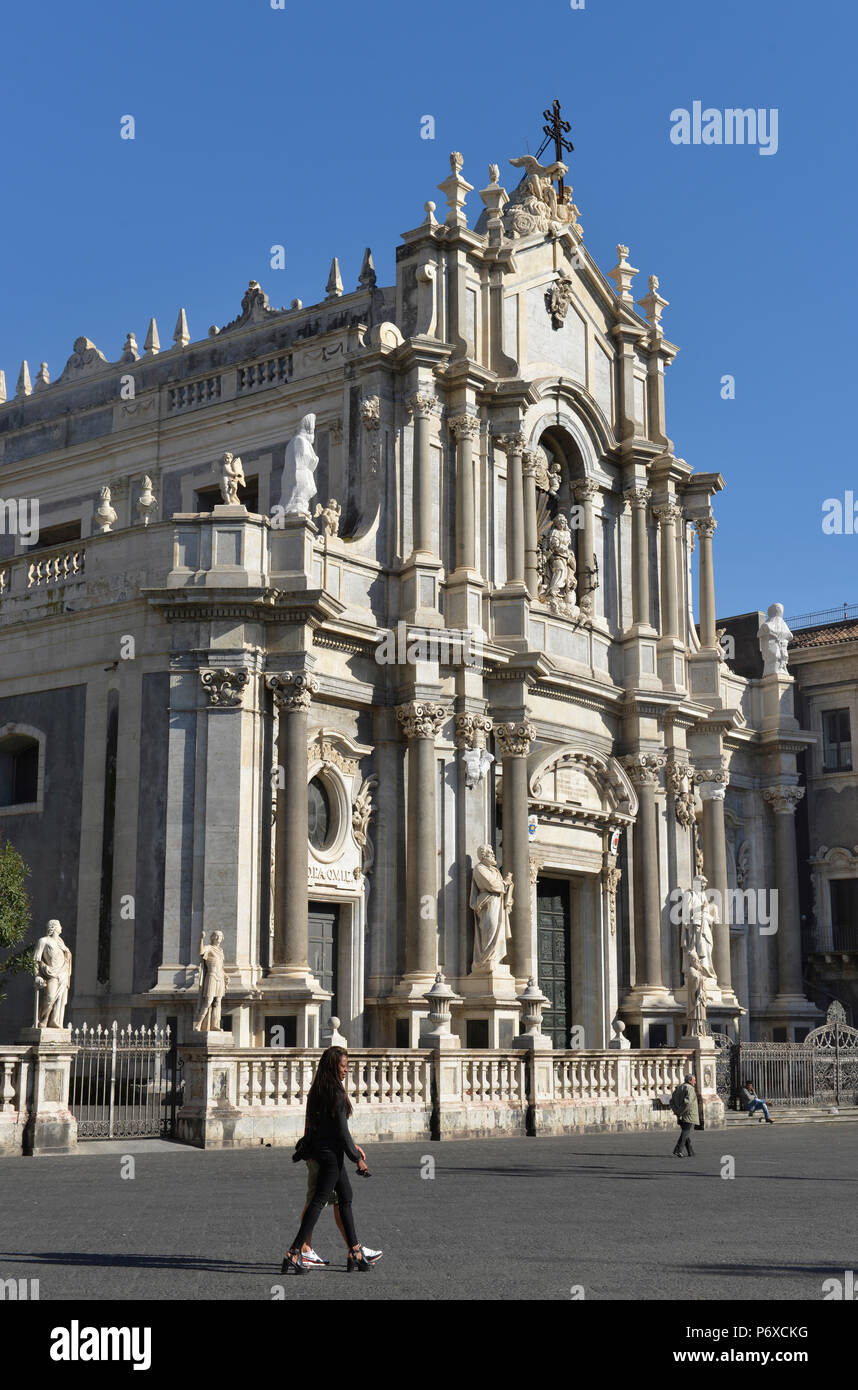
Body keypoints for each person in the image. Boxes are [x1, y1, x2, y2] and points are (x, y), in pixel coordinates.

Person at [282, 1047, 373, 1275]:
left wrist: (352, 1149)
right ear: (333, 1066)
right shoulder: (336, 1093)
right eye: (343, 1066)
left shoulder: (318, 1090)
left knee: (345, 1197)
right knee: (319, 1201)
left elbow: (333, 1129)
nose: (346, 1070)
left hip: (322, 1151)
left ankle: (355, 1251)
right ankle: (294, 1252)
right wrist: (356, 1158)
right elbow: (342, 1131)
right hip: (332, 1155)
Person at [298, 1155, 383, 1268]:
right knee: (316, 1201)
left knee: (337, 1200)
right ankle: (304, 1249)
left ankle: (353, 1249)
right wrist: (355, 1156)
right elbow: (337, 1135)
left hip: (325, 1155)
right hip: (323, 1157)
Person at [670, 1073, 699, 1157]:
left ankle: (690, 1151)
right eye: (694, 1080)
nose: (695, 1082)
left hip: (680, 1114)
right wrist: (680, 1111)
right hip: (688, 1114)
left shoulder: (679, 1088)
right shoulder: (689, 1088)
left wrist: (676, 1110)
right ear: (690, 1080)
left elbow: (671, 1101)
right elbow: (688, 1102)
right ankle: (678, 1149)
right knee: (685, 1132)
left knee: (685, 1132)